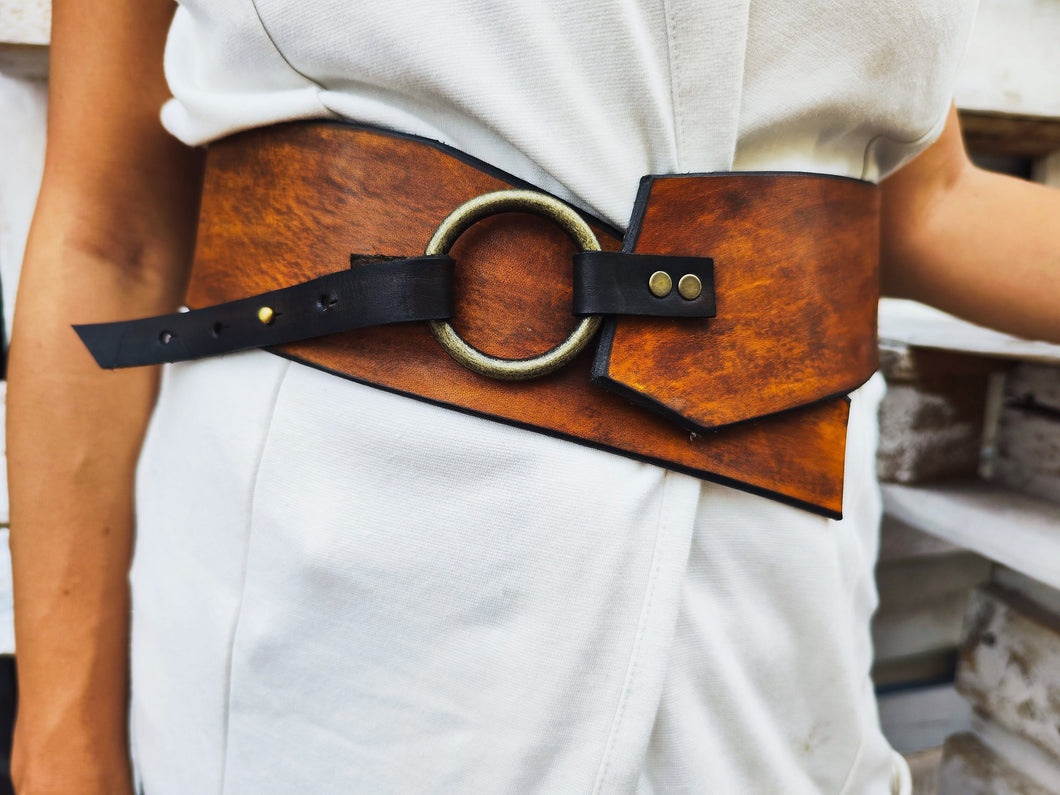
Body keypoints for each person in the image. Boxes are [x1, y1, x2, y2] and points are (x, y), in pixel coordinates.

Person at [7, 0, 1060, 792]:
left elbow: (926, 209)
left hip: (779, 638)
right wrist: (61, 746)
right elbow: (111, 235)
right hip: (334, 629)